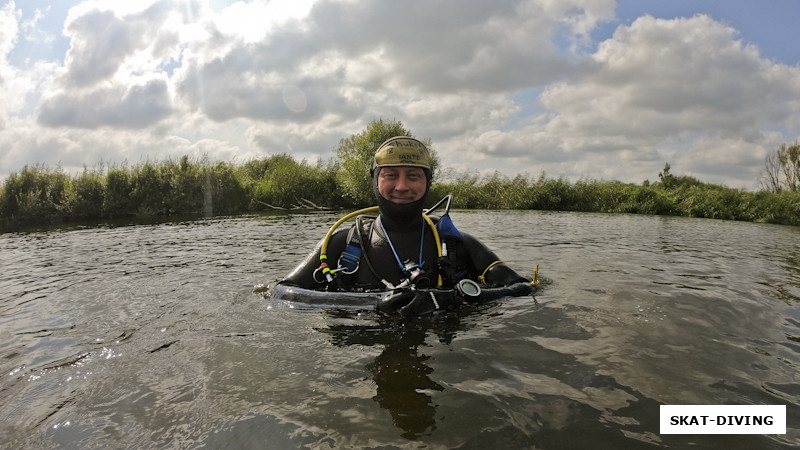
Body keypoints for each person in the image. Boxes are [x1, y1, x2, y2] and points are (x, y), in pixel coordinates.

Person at [278, 136, 535, 316]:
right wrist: (371, 303)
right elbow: (282, 292)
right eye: (390, 175)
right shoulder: (341, 244)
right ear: (375, 180)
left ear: (428, 182)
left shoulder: (458, 244)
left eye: (413, 176)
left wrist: (456, 298)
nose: (402, 186)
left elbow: (524, 288)